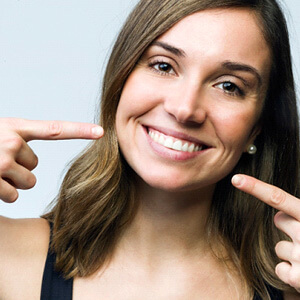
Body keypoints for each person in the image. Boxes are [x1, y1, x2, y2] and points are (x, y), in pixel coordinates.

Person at [0, 0, 299, 299]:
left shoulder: (291, 287)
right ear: (121, 78)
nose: (184, 109)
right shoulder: (8, 258)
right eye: (163, 66)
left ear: (258, 126)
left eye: (229, 86)